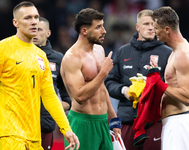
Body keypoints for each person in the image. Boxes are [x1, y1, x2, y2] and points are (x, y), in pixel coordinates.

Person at [0, 1, 79, 150]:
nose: (34, 22)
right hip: (9, 134)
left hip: (34, 136)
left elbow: (49, 96)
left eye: (36, 17)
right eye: (28, 18)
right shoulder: (3, 49)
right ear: (15, 22)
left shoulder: (41, 56)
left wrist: (66, 128)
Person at [105, 9, 172, 150]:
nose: (151, 27)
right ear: (137, 27)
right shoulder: (123, 52)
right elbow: (109, 82)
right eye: (146, 23)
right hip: (128, 120)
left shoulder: (167, 53)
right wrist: (124, 90)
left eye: (154, 24)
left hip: (154, 121)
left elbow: (172, 85)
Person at [60, 8, 121, 150]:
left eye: (103, 26)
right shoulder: (72, 58)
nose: (104, 31)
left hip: (102, 122)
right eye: (98, 27)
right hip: (82, 123)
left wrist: (114, 120)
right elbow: (80, 96)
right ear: (84, 31)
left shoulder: (99, 50)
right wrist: (103, 73)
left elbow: (102, 88)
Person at [150, 6, 189, 150]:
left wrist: (159, 83)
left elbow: (187, 97)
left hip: (179, 123)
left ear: (166, 29)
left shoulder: (184, 54)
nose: (154, 31)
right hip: (171, 123)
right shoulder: (175, 52)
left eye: (156, 27)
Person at [33, 17, 71, 150]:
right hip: (22, 125)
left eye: (38, 30)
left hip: (46, 126)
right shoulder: (20, 56)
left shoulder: (59, 59)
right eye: (32, 29)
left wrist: (57, 106)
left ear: (48, 33)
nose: (34, 33)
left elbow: (67, 96)